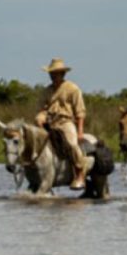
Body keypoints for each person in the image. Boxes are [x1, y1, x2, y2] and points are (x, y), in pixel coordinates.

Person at [35, 58, 87, 190]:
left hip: (65, 121)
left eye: (55, 73)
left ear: (62, 74)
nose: (52, 76)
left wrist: (80, 131)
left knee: (72, 144)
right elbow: (41, 108)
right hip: (49, 120)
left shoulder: (72, 89)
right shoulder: (46, 91)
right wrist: (41, 118)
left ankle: (80, 173)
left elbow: (80, 111)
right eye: (51, 73)